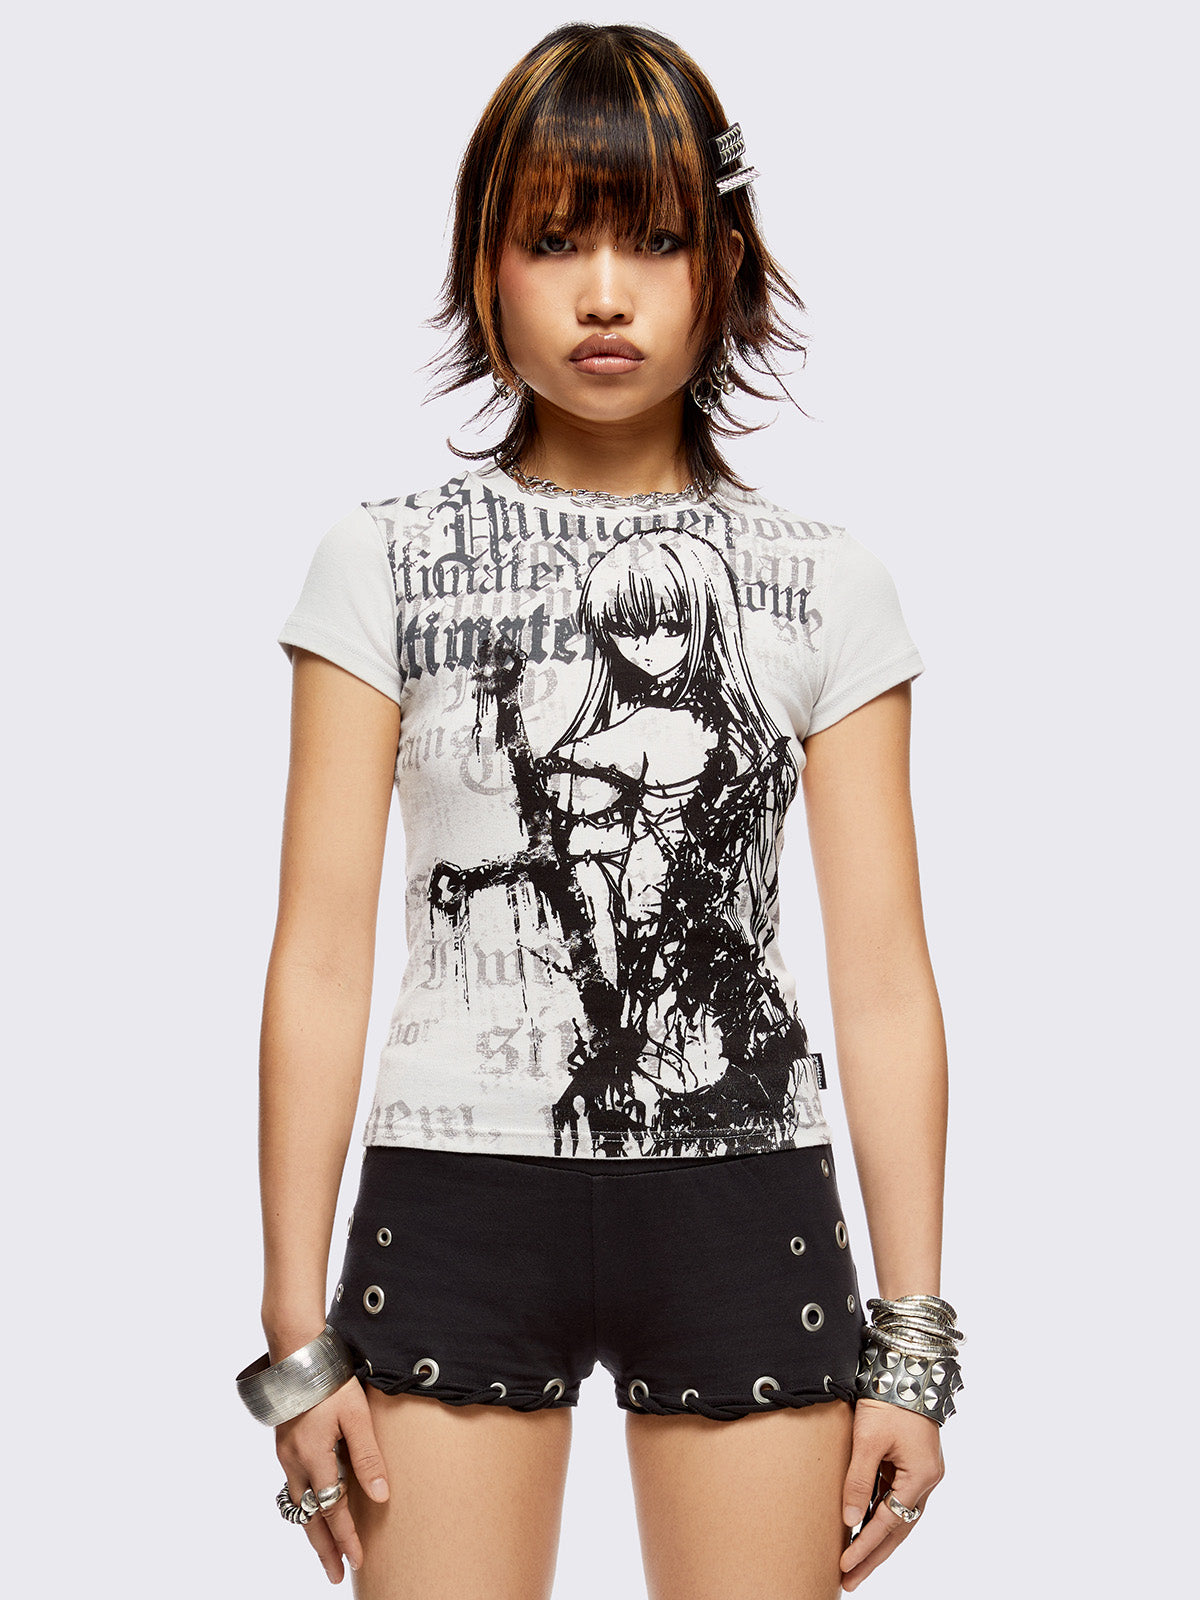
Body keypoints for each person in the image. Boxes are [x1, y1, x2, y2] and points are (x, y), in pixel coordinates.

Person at [236, 21, 964, 1599]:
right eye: (555, 240)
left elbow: (885, 977)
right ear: (484, 268)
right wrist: (295, 1330)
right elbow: (319, 956)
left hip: (741, 1191)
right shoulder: (380, 562)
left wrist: (915, 1338)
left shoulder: (827, 583)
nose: (608, 293)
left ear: (726, 263)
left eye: (658, 240)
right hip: (454, 1198)